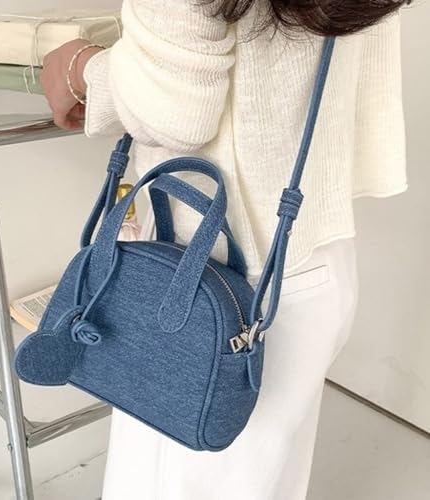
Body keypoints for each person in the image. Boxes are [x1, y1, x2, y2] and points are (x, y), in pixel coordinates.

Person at [41, 1, 409, 498]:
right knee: (266, 477)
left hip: (205, 286)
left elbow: (174, 111)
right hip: (308, 250)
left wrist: (80, 67)